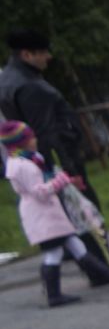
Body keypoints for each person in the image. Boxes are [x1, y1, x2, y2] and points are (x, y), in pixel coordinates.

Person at [5, 120, 109, 307]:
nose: (35, 139)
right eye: (30, 137)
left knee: (76, 245)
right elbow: (39, 192)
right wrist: (61, 180)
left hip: (47, 215)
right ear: (20, 142)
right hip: (43, 217)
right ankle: (54, 295)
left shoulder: (26, 160)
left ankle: (108, 275)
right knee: (54, 253)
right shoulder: (24, 165)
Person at [1, 29, 97, 210]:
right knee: (88, 221)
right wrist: (69, 172)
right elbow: (46, 134)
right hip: (56, 166)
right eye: (43, 52)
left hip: (30, 163)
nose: (49, 56)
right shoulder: (31, 87)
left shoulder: (6, 80)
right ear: (27, 55)